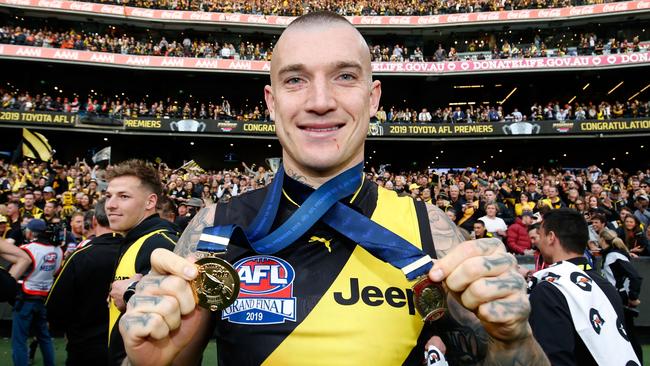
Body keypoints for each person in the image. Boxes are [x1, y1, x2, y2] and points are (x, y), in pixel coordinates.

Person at [118, 12, 547, 366]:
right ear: (271, 102)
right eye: (295, 80)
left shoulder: (430, 229)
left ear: (373, 97)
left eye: (344, 76)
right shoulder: (215, 228)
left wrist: (514, 341)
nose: (319, 100)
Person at [529, 209, 639, 366]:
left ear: (551, 237)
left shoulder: (548, 290)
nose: (537, 242)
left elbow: (554, 358)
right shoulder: (606, 286)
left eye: (540, 235)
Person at [105, 159, 179, 365]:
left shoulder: (160, 243)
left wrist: (131, 292)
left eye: (124, 196)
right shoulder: (132, 239)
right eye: (108, 196)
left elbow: (183, 310)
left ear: (150, 202)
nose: (110, 205)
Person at [46, 199, 123, 366]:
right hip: (126, 347)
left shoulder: (81, 256)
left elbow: (55, 306)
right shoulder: (137, 252)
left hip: (85, 346)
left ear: (94, 221)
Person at [12, 219, 63, 366]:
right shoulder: (58, 250)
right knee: (44, 337)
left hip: (25, 297)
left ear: (31, 232)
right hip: (44, 298)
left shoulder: (28, 248)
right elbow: (56, 272)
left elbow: (17, 270)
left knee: (19, 340)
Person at [599, 229, 643, 361]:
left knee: (627, 332)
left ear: (602, 239)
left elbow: (635, 277)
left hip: (619, 297)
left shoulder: (614, 255)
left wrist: (632, 297)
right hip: (614, 297)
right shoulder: (611, 254)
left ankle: (637, 361)